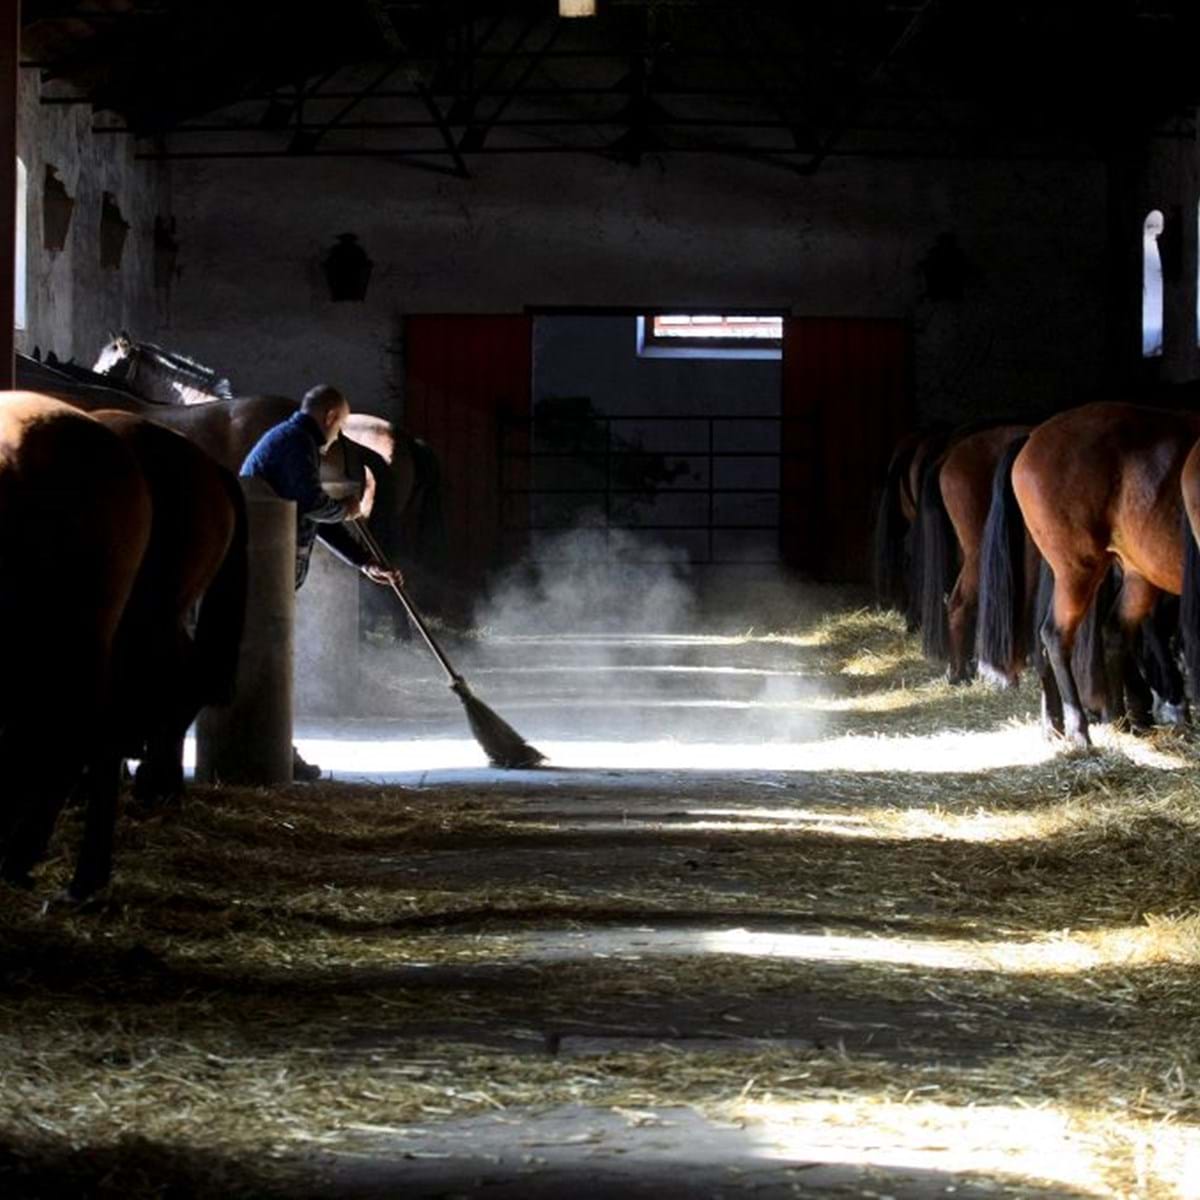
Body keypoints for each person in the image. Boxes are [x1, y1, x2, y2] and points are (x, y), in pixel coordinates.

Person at [240, 384, 401, 781]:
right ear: (331, 418)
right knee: (267, 661)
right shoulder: (295, 443)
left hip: (270, 568)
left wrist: (364, 562)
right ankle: (270, 749)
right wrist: (346, 509)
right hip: (262, 572)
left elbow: (309, 514)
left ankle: (272, 747)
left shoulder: (294, 441)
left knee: (268, 660)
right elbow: (313, 505)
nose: (338, 435)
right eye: (341, 425)